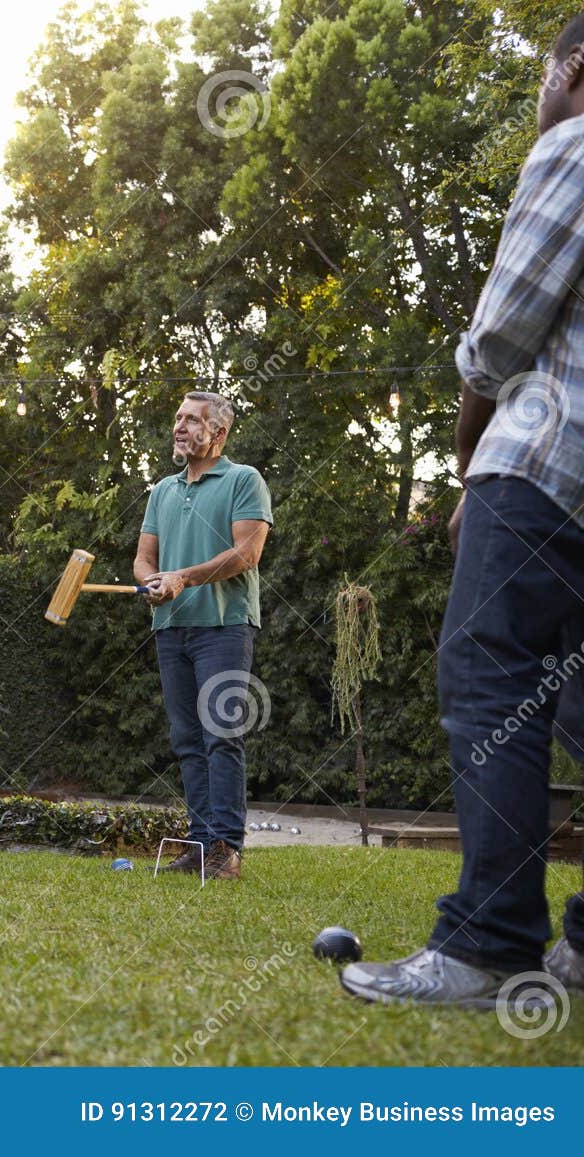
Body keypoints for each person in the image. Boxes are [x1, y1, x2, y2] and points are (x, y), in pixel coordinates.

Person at [341, 17, 584, 1005]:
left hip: (547, 467)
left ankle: (489, 942)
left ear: (573, 68)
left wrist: (468, 460)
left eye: (541, 79)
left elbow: (499, 338)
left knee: (488, 673)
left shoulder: (573, 143)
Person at [133, 392, 273, 881]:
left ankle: (226, 850)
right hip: (171, 628)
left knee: (221, 736)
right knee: (187, 741)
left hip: (224, 626)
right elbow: (143, 558)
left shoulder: (243, 480)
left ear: (219, 432)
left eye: (192, 420)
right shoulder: (162, 491)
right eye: (177, 418)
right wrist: (153, 581)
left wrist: (183, 578)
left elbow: (246, 555)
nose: (179, 426)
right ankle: (198, 845)